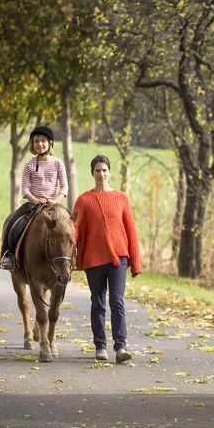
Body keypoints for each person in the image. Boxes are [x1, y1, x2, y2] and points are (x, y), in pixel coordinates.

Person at [73, 155, 142, 363]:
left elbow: (131, 230)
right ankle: (100, 346)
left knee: (117, 301)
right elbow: (74, 232)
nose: (101, 174)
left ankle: (121, 347)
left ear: (109, 172)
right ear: (92, 173)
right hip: (94, 259)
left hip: (118, 259)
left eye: (104, 170)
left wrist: (135, 262)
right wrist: (70, 260)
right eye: (97, 171)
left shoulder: (121, 198)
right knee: (98, 302)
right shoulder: (83, 200)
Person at [0, 126, 68, 271]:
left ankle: (74, 256)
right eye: (36, 141)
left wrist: (55, 200)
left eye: (43, 141)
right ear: (32, 144)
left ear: (50, 143)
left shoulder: (58, 163)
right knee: (12, 221)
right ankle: (7, 255)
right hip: (33, 204)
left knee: (70, 226)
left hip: (53, 204)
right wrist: (35, 200)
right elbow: (24, 189)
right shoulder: (29, 164)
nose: (40, 144)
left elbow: (64, 187)